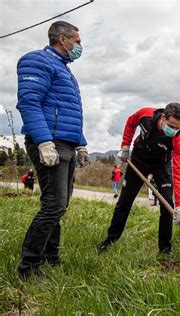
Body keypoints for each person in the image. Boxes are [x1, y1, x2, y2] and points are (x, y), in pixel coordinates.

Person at [15, 21, 90, 280]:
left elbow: (71, 113)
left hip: (65, 143)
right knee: (53, 205)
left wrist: (80, 143)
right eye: (77, 41)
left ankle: (50, 256)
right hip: (49, 142)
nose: (80, 46)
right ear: (62, 38)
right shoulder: (37, 61)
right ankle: (29, 266)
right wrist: (44, 141)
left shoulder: (67, 72)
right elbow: (29, 103)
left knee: (61, 204)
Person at [98, 103, 180, 255]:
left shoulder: (178, 139)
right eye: (171, 126)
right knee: (125, 200)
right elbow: (130, 123)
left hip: (161, 164)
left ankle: (165, 249)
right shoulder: (146, 115)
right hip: (139, 159)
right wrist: (125, 146)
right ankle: (111, 239)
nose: (173, 131)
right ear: (163, 117)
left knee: (168, 205)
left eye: (178, 127)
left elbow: (179, 171)